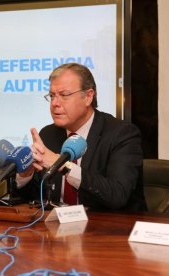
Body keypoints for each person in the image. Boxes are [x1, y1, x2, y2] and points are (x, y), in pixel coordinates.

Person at [15, 63, 146, 211]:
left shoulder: (122, 134)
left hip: (110, 228)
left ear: (88, 97)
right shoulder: (48, 134)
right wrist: (26, 174)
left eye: (64, 95)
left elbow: (117, 195)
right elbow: (33, 197)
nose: (54, 103)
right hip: (57, 228)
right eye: (52, 96)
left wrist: (62, 165)